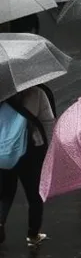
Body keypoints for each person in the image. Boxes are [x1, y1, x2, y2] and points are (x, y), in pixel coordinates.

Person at [0, 86, 56, 246]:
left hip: (4, 150)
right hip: (31, 150)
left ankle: (0, 223)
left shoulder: (2, 93)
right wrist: (49, 149)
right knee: (34, 194)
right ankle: (33, 234)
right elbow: (48, 121)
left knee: (5, 192)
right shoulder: (37, 93)